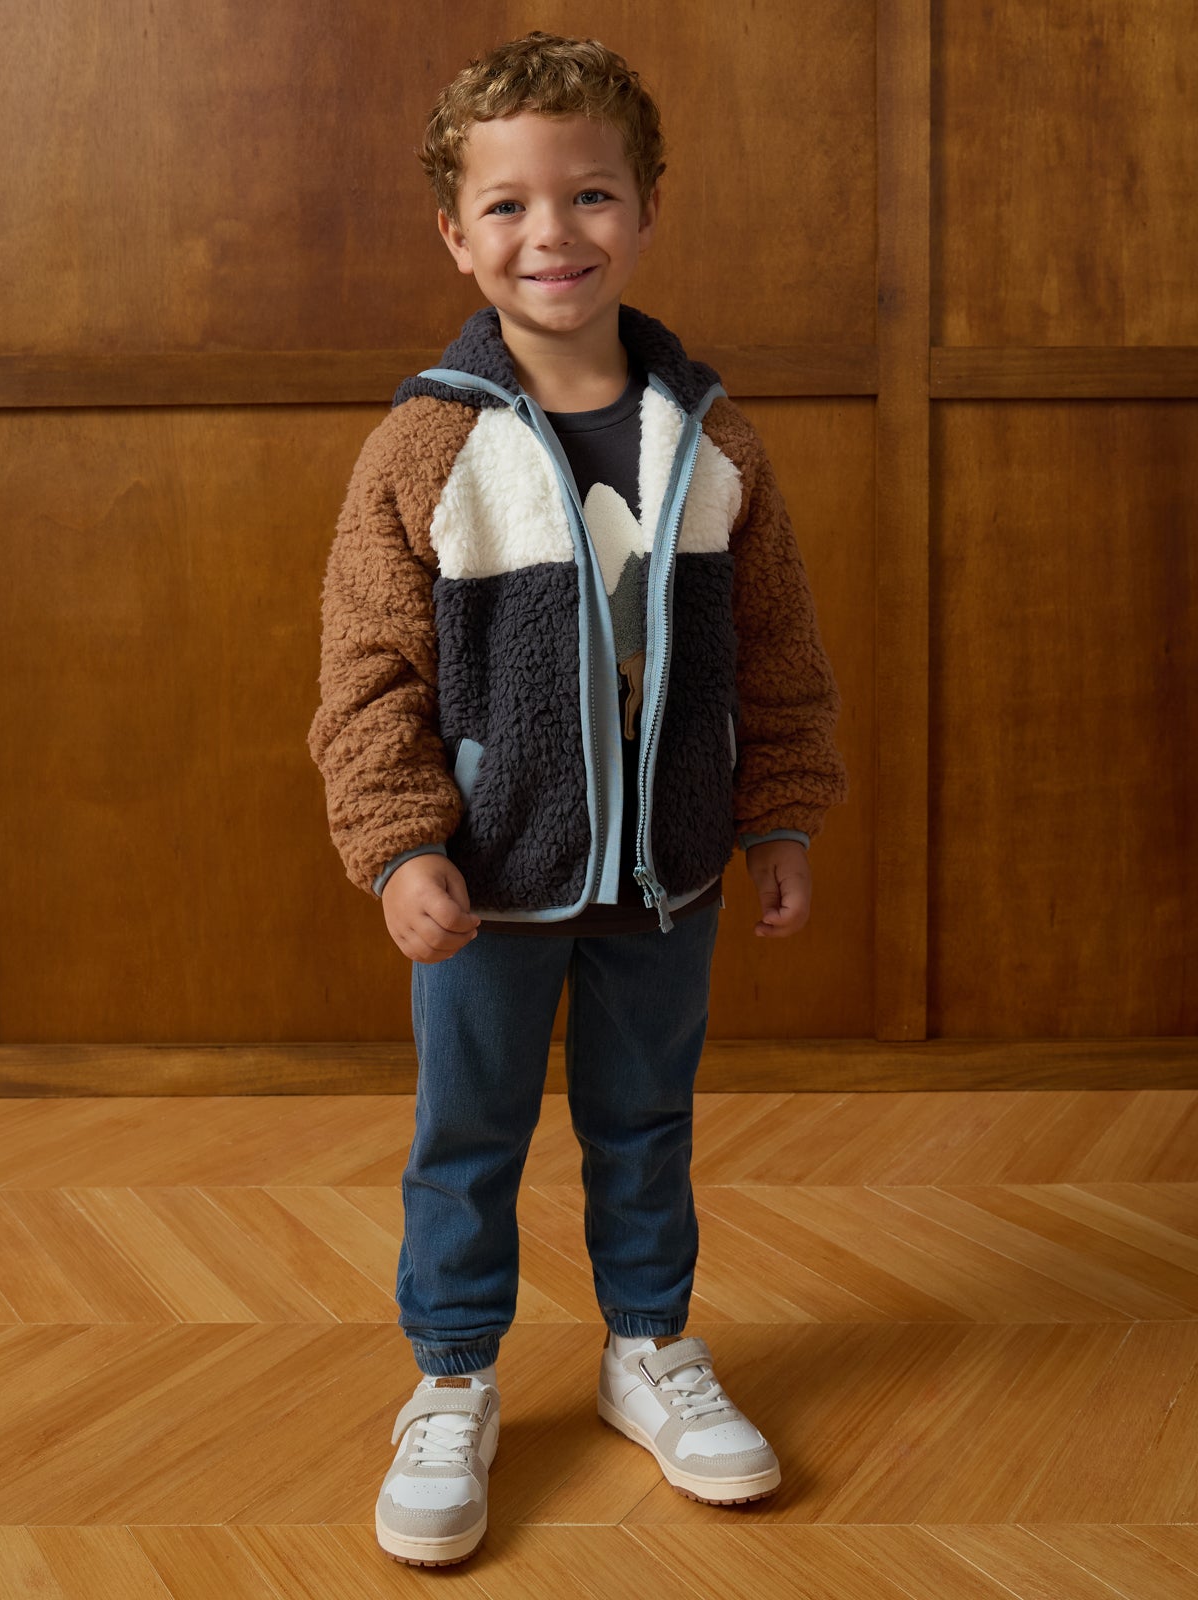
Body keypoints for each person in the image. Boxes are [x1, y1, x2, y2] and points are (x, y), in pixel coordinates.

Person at [308, 30, 848, 1567]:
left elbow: (780, 650)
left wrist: (782, 813)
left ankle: (648, 1350)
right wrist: (402, 841)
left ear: (648, 209)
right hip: (490, 881)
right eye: (509, 208)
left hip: (668, 872)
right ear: (454, 233)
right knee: (468, 1133)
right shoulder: (426, 443)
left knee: (644, 1120)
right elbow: (365, 673)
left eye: (592, 195)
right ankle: (455, 1375)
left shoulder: (711, 437)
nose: (553, 235)